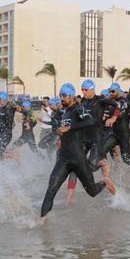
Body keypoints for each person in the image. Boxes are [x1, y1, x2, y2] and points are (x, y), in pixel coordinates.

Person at [40, 83, 109, 219]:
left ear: (71, 95)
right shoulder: (65, 112)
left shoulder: (79, 109)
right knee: (51, 189)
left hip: (78, 158)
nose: (62, 98)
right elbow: (62, 129)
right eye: (60, 96)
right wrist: (60, 135)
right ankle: (42, 222)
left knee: (92, 191)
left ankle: (105, 182)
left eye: (64, 95)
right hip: (64, 158)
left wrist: (69, 128)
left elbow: (91, 121)